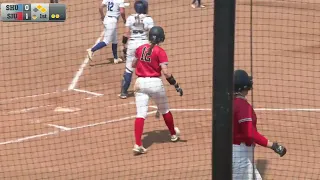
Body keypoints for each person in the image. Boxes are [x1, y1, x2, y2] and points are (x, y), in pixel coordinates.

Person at [131, 26, 183, 154]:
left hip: (140, 83)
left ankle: (138, 144)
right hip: (155, 84)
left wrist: (143, 64)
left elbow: (133, 64)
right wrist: (175, 84)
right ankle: (173, 134)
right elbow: (166, 73)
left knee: (140, 114)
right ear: (161, 38)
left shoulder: (140, 48)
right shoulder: (160, 51)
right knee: (165, 110)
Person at [233, 69, 287, 179]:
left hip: (236, 154)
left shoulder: (230, 103)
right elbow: (250, 133)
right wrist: (273, 145)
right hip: (240, 157)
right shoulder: (242, 106)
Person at [119, 0, 154, 99]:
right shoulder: (149, 19)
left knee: (129, 68)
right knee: (146, 68)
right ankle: (148, 91)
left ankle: (124, 92)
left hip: (132, 44)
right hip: (144, 45)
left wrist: (123, 45)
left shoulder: (130, 18)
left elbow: (126, 34)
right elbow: (152, 34)